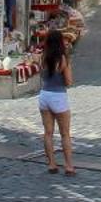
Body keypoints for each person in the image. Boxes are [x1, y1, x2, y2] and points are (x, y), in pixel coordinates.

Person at [37, 28, 75, 176]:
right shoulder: (63, 59)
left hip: (44, 95)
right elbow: (68, 81)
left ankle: (51, 164)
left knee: (48, 133)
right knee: (65, 133)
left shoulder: (43, 57)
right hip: (58, 96)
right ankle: (69, 166)